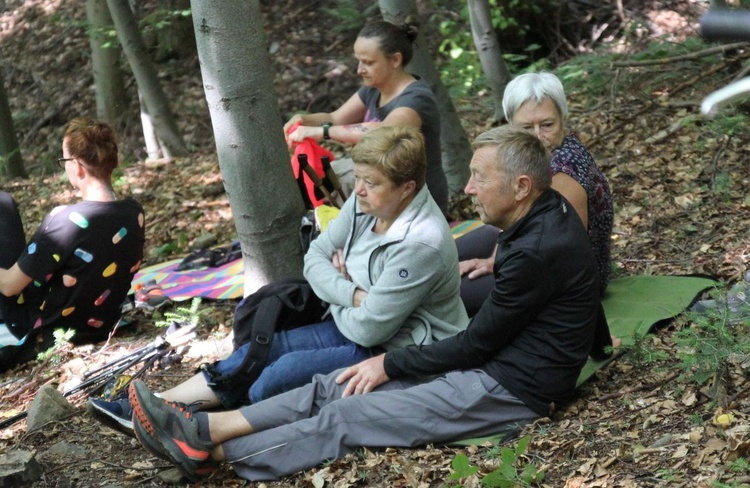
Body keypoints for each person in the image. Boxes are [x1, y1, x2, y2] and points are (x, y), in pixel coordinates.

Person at [126, 125, 601, 483]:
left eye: (479, 176)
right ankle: (207, 425)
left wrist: (389, 364)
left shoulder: (536, 247)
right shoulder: (547, 218)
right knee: (334, 386)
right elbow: (580, 286)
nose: (469, 187)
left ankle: (211, 456)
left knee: (349, 414)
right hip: (488, 366)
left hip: (509, 389)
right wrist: (599, 342)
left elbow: (475, 344)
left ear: (521, 186)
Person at [88, 125, 468, 434]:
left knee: (273, 380)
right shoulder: (367, 200)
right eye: (361, 179)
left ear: (407, 189)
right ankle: (155, 408)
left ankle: (195, 428)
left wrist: (340, 287)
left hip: (403, 348)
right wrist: (352, 293)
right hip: (355, 322)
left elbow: (370, 331)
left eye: (372, 182)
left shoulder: (422, 243)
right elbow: (316, 257)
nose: (360, 190)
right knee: (261, 348)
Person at [456, 72, 615, 318]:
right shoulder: (533, 156)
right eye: (526, 127)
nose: (538, 135)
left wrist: (495, 265)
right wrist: (493, 259)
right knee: (444, 254)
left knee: (446, 290)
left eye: (547, 125)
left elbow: (562, 254)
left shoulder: (562, 171)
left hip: (560, 281)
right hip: (528, 248)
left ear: (563, 118)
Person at [0, 118, 145, 372]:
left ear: (77, 166)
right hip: (99, 323)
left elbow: (10, 288)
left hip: (44, 327)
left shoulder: (66, 220)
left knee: (3, 205)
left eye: (64, 161)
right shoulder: (134, 213)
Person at [283, 18, 449, 214]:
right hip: (379, 188)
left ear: (395, 60)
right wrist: (304, 120)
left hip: (414, 203)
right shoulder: (374, 88)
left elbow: (384, 132)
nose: (359, 70)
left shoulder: (416, 98)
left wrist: (322, 132)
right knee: (310, 181)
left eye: (368, 63)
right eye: (359, 61)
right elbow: (335, 118)